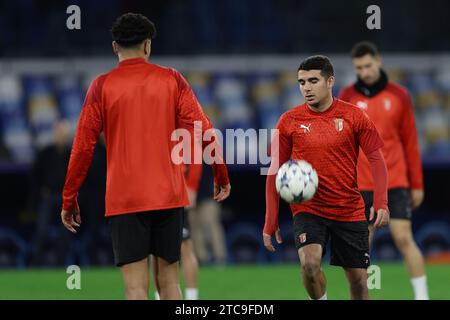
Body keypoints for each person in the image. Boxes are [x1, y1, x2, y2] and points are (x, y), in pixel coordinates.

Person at [60, 13, 230, 300]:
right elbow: (204, 129)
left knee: (136, 288)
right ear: (148, 46)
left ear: (115, 47)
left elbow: (83, 147)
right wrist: (220, 174)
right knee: (169, 283)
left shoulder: (101, 87)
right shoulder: (172, 79)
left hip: (125, 199)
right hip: (169, 195)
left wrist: (69, 197)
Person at [263, 55, 389, 300]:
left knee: (360, 282)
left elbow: (376, 159)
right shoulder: (288, 121)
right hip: (308, 208)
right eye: (301, 82)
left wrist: (381, 201)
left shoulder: (354, 116)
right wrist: (271, 218)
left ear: (330, 81)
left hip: (348, 209)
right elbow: (274, 172)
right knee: (309, 266)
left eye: (313, 81)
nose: (306, 88)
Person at [339, 41, 428, 300]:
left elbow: (410, 140)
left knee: (403, 237)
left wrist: (417, 183)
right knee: (360, 246)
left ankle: (422, 297)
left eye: (368, 65)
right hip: (362, 182)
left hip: (395, 178)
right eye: (359, 67)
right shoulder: (347, 96)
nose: (364, 71)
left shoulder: (399, 95)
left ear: (379, 61)